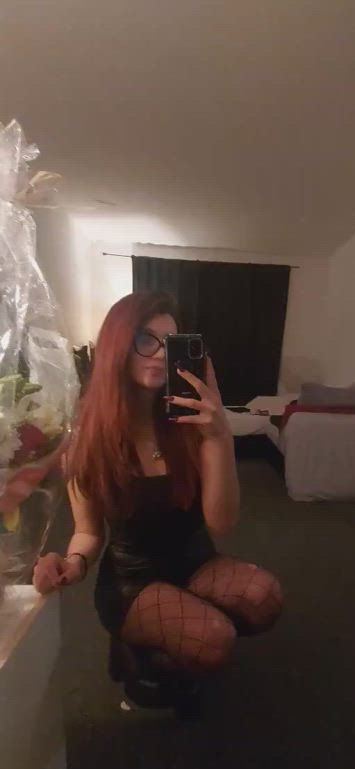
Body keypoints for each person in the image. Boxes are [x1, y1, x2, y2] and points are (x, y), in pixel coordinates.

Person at [33, 292, 283, 708]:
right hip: (133, 577)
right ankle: (137, 654)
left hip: (196, 559)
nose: (161, 353)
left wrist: (219, 435)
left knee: (265, 598)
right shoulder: (87, 439)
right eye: (145, 339)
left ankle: (179, 623)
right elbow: (88, 532)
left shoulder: (191, 424)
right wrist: (71, 564)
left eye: (171, 342)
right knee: (214, 638)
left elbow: (222, 523)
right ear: (117, 346)